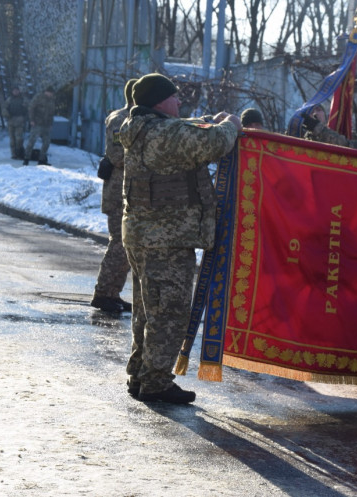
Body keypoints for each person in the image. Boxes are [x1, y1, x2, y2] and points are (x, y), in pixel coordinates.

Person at [120, 73, 240, 404]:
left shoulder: (140, 127)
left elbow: (185, 130)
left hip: (140, 234)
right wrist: (231, 124)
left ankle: (140, 372)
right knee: (169, 311)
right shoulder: (167, 133)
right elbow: (215, 143)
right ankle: (156, 381)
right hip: (167, 238)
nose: (180, 102)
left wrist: (205, 121)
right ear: (160, 101)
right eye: (175, 98)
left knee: (146, 308)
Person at [90, 78, 138, 314]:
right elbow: (117, 154)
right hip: (118, 193)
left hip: (126, 191)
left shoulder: (135, 118)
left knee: (124, 246)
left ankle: (111, 293)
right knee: (119, 245)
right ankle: (103, 293)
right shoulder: (122, 119)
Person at [23, 86, 56, 165]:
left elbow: (51, 113)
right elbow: (31, 108)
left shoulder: (51, 100)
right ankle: (26, 159)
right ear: (46, 92)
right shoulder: (38, 97)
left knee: (46, 143)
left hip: (46, 125)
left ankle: (41, 160)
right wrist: (31, 120)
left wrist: (51, 123)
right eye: (50, 93)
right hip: (37, 123)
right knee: (32, 141)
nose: (51, 95)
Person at [3, 86, 28, 159]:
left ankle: (19, 153)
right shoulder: (9, 99)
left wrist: (25, 118)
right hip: (11, 120)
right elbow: (4, 108)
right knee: (12, 139)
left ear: (19, 91)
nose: (16, 92)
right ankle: (13, 154)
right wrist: (7, 115)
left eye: (17, 90)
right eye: (14, 90)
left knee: (19, 139)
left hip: (20, 120)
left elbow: (28, 109)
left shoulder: (23, 99)